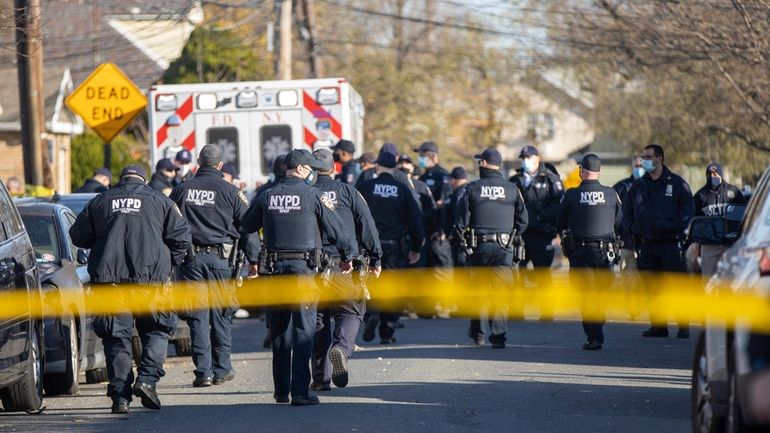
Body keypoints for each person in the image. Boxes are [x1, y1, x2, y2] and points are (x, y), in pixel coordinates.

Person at [69, 164, 191, 414]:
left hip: (110, 282)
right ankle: (146, 380)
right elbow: (181, 238)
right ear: (144, 180)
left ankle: (120, 397)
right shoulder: (160, 200)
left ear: (121, 179)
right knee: (157, 330)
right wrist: (168, 265)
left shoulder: (100, 201)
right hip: (151, 282)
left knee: (116, 338)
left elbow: (78, 236)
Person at [244, 149, 355, 406]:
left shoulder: (266, 196)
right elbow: (337, 229)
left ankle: (281, 391)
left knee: (280, 332)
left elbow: (246, 226)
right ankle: (300, 392)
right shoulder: (312, 195)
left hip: (274, 273)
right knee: (304, 331)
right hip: (304, 272)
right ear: (304, 170)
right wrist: (348, 255)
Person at [169, 145, 259, 388]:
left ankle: (203, 372)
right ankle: (222, 369)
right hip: (221, 260)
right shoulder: (232, 192)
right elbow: (248, 227)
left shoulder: (181, 190)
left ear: (198, 162)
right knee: (221, 314)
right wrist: (254, 260)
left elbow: (168, 224)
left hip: (190, 261)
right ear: (220, 165)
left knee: (197, 317)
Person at [310, 149, 382, 391]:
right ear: (334, 168)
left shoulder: (306, 193)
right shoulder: (349, 192)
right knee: (350, 312)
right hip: (344, 265)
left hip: (314, 268)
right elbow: (367, 224)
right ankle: (340, 349)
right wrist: (376, 257)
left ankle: (321, 378)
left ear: (310, 168)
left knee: (319, 320)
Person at [455, 148, 528, 348]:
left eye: (480, 162)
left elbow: (460, 222)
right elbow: (523, 220)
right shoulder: (512, 189)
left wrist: (464, 243)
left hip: (478, 248)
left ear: (484, 164)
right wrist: (512, 236)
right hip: (504, 248)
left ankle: (478, 334)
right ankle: (498, 337)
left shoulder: (471, 188)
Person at [622, 144, 694, 338]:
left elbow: (688, 210)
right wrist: (632, 227)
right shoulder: (638, 186)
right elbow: (626, 212)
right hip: (646, 244)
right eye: (643, 156)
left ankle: (683, 326)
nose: (644, 160)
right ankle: (659, 326)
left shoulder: (677, 184)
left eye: (648, 156)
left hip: (670, 244)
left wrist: (674, 225)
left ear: (660, 159)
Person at [357, 151, 424, 344]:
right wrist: (416, 248)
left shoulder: (365, 187)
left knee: (369, 284)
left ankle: (371, 315)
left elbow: (352, 214)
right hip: (395, 246)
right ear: (394, 168)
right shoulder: (402, 189)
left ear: (377, 166)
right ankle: (387, 331)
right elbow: (415, 220)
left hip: (368, 247)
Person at [558, 154, 622, 350]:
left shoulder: (571, 195)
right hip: (605, 253)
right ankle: (597, 330)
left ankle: (594, 335)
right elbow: (619, 222)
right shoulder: (611, 194)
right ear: (599, 171)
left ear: (581, 171)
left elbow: (559, 221)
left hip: (580, 253)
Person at [510, 145, 563, 319]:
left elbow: (558, 205)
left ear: (537, 158)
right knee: (519, 274)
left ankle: (546, 311)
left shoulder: (550, 179)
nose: (526, 161)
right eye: (523, 157)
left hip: (542, 234)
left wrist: (539, 217)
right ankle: (517, 310)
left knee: (543, 275)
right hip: (521, 236)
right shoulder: (515, 180)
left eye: (529, 157)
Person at [693, 162, 746, 276]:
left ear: (721, 175)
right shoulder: (700, 196)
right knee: (708, 277)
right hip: (709, 244)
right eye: (710, 174)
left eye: (715, 174)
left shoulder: (734, 192)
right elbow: (695, 221)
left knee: (732, 277)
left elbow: (744, 215)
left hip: (731, 242)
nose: (713, 177)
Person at [414, 141, 453, 268]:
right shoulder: (422, 177)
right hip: (424, 230)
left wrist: (441, 229)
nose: (420, 159)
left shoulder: (442, 175)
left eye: (422, 155)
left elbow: (445, 203)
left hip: (437, 233)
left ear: (433, 156)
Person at [612, 156, 645, 272]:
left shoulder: (653, 187)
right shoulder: (621, 187)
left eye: (642, 166)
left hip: (646, 243)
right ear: (632, 167)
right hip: (626, 243)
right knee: (628, 280)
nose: (639, 169)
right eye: (637, 166)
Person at [442, 167, 469, 267]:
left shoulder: (460, 193)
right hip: (465, 239)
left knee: (461, 272)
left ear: (454, 180)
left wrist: (453, 233)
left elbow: (458, 215)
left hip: (460, 240)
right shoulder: (469, 190)